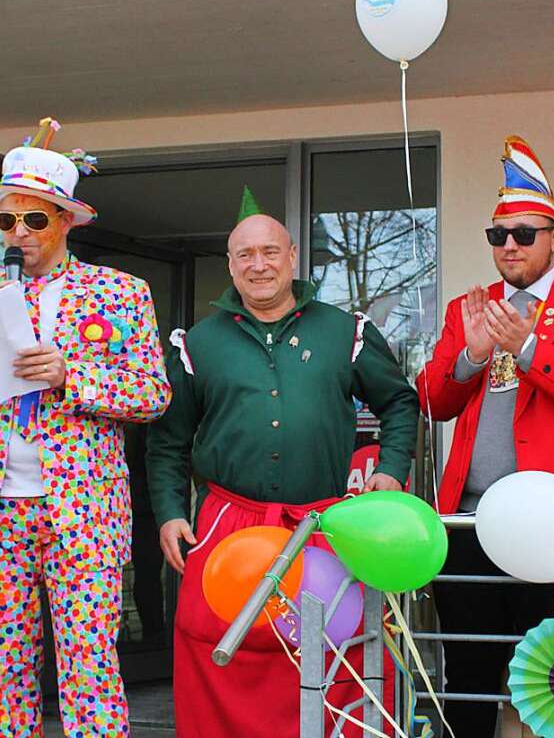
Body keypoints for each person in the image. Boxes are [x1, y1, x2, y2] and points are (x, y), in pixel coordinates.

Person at [0, 119, 171, 738]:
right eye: (7, 221)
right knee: (2, 672)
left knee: (90, 667)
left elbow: (154, 394)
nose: (19, 232)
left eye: (35, 220)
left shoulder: (120, 293)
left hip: (83, 508)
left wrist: (69, 375)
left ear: (67, 221)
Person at [146, 187, 420, 737]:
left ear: (293, 257)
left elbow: (399, 401)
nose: (259, 264)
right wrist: (171, 512)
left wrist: (390, 470)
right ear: (230, 264)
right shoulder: (198, 343)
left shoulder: (346, 331)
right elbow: (168, 441)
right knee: (216, 640)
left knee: (338, 645)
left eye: (270, 252)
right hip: (227, 524)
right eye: (245, 255)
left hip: (323, 525)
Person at [417, 136, 554, 736]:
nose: (509, 246)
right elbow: (433, 400)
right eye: (498, 235)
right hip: (468, 523)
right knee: (468, 672)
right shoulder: (474, 305)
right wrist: (470, 355)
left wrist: (527, 349)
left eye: (524, 234)